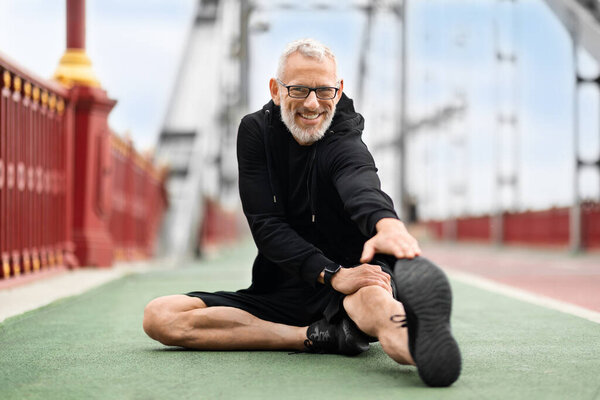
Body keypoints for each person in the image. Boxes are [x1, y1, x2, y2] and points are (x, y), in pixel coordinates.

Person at [143, 38, 461, 387]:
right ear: (276, 90)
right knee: (159, 317)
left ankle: (422, 344)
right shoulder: (256, 132)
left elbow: (361, 184)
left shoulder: (344, 139)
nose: (312, 104)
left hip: (357, 277)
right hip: (287, 286)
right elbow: (266, 225)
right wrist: (330, 274)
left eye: (324, 91)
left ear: (338, 91)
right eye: (299, 89)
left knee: (376, 304)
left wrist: (387, 225)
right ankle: (316, 335)